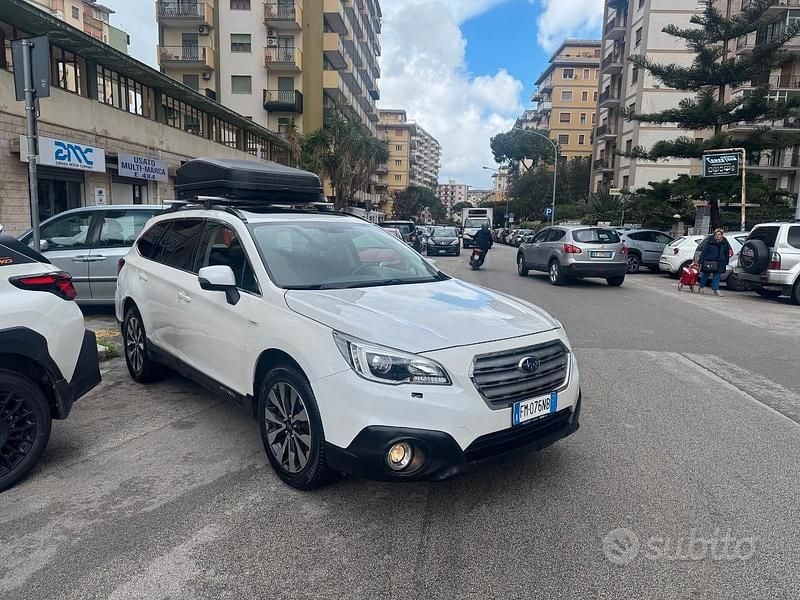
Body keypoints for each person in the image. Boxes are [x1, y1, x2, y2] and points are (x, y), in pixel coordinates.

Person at [698, 228, 731, 296]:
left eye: (719, 234)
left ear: (722, 235)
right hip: (709, 261)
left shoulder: (725, 242)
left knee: (717, 276)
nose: (717, 236)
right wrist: (700, 261)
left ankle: (716, 290)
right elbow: (704, 252)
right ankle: (701, 287)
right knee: (705, 275)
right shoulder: (709, 242)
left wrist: (726, 262)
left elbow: (726, 252)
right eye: (716, 234)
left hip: (720, 262)